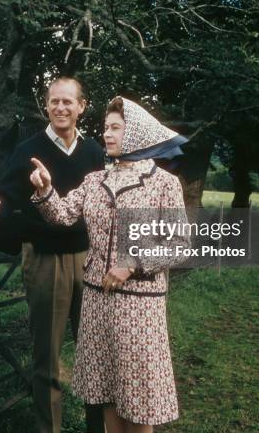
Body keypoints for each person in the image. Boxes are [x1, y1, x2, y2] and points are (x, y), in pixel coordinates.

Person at [29, 96, 190, 433]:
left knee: (138, 400)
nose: (107, 134)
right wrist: (45, 190)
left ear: (137, 134)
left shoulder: (164, 184)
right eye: (105, 128)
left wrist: (132, 263)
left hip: (139, 308)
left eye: (117, 128)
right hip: (96, 303)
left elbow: (180, 246)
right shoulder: (94, 181)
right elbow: (61, 214)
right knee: (106, 394)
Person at [0, 77, 105, 433]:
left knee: (93, 354)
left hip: (89, 259)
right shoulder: (28, 150)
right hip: (45, 261)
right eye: (54, 101)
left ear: (82, 106)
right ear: (47, 106)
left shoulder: (95, 152)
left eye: (68, 102)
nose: (60, 108)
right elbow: (6, 195)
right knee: (47, 358)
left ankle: (96, 426)